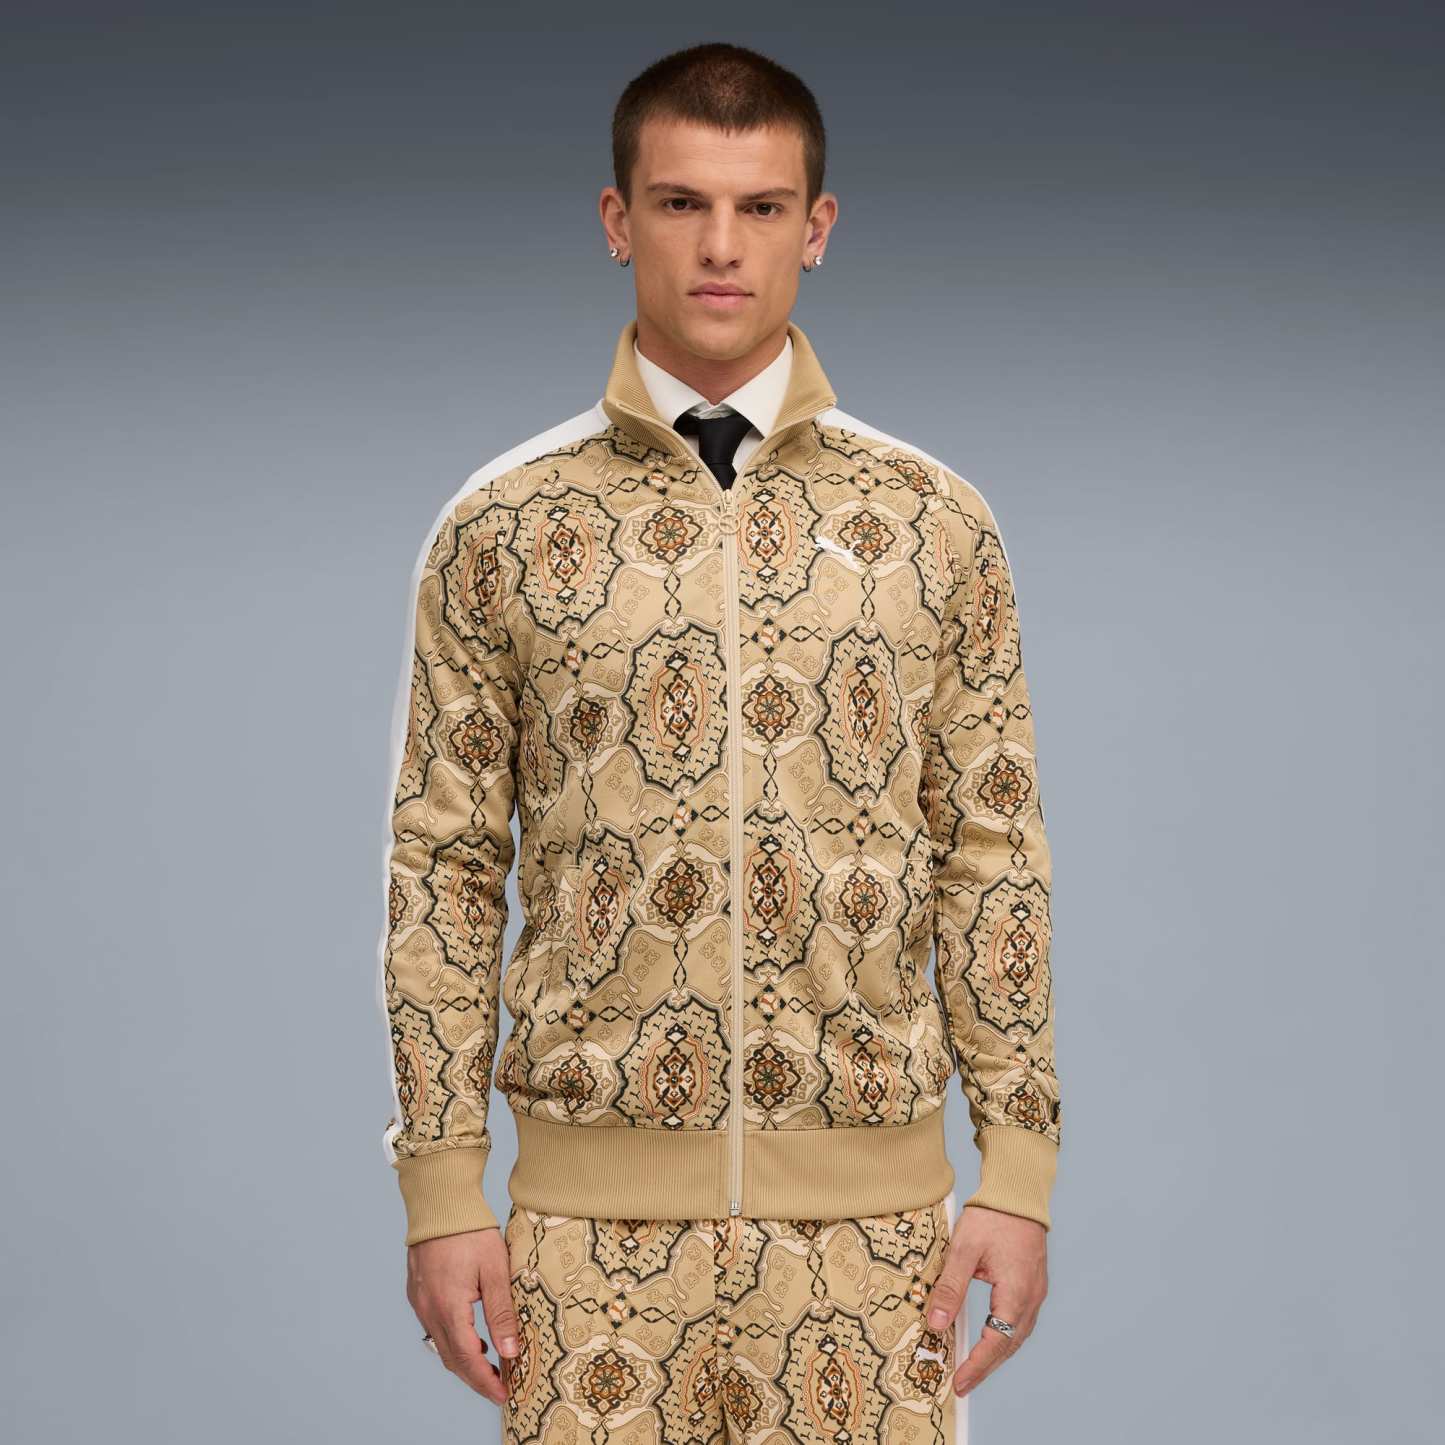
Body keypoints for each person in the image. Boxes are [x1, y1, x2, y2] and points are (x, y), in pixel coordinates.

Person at [377, 40, 1060, 1444]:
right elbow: (440, 870)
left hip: (876, 1249)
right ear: (617, 219)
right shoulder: (502, 523)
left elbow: (991, 855)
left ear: (818, 226)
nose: (721, 246)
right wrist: (442, 1193)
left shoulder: (933, 523)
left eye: (761, 207)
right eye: (681, 203)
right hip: (585, 1245)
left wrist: (1018, 1173)